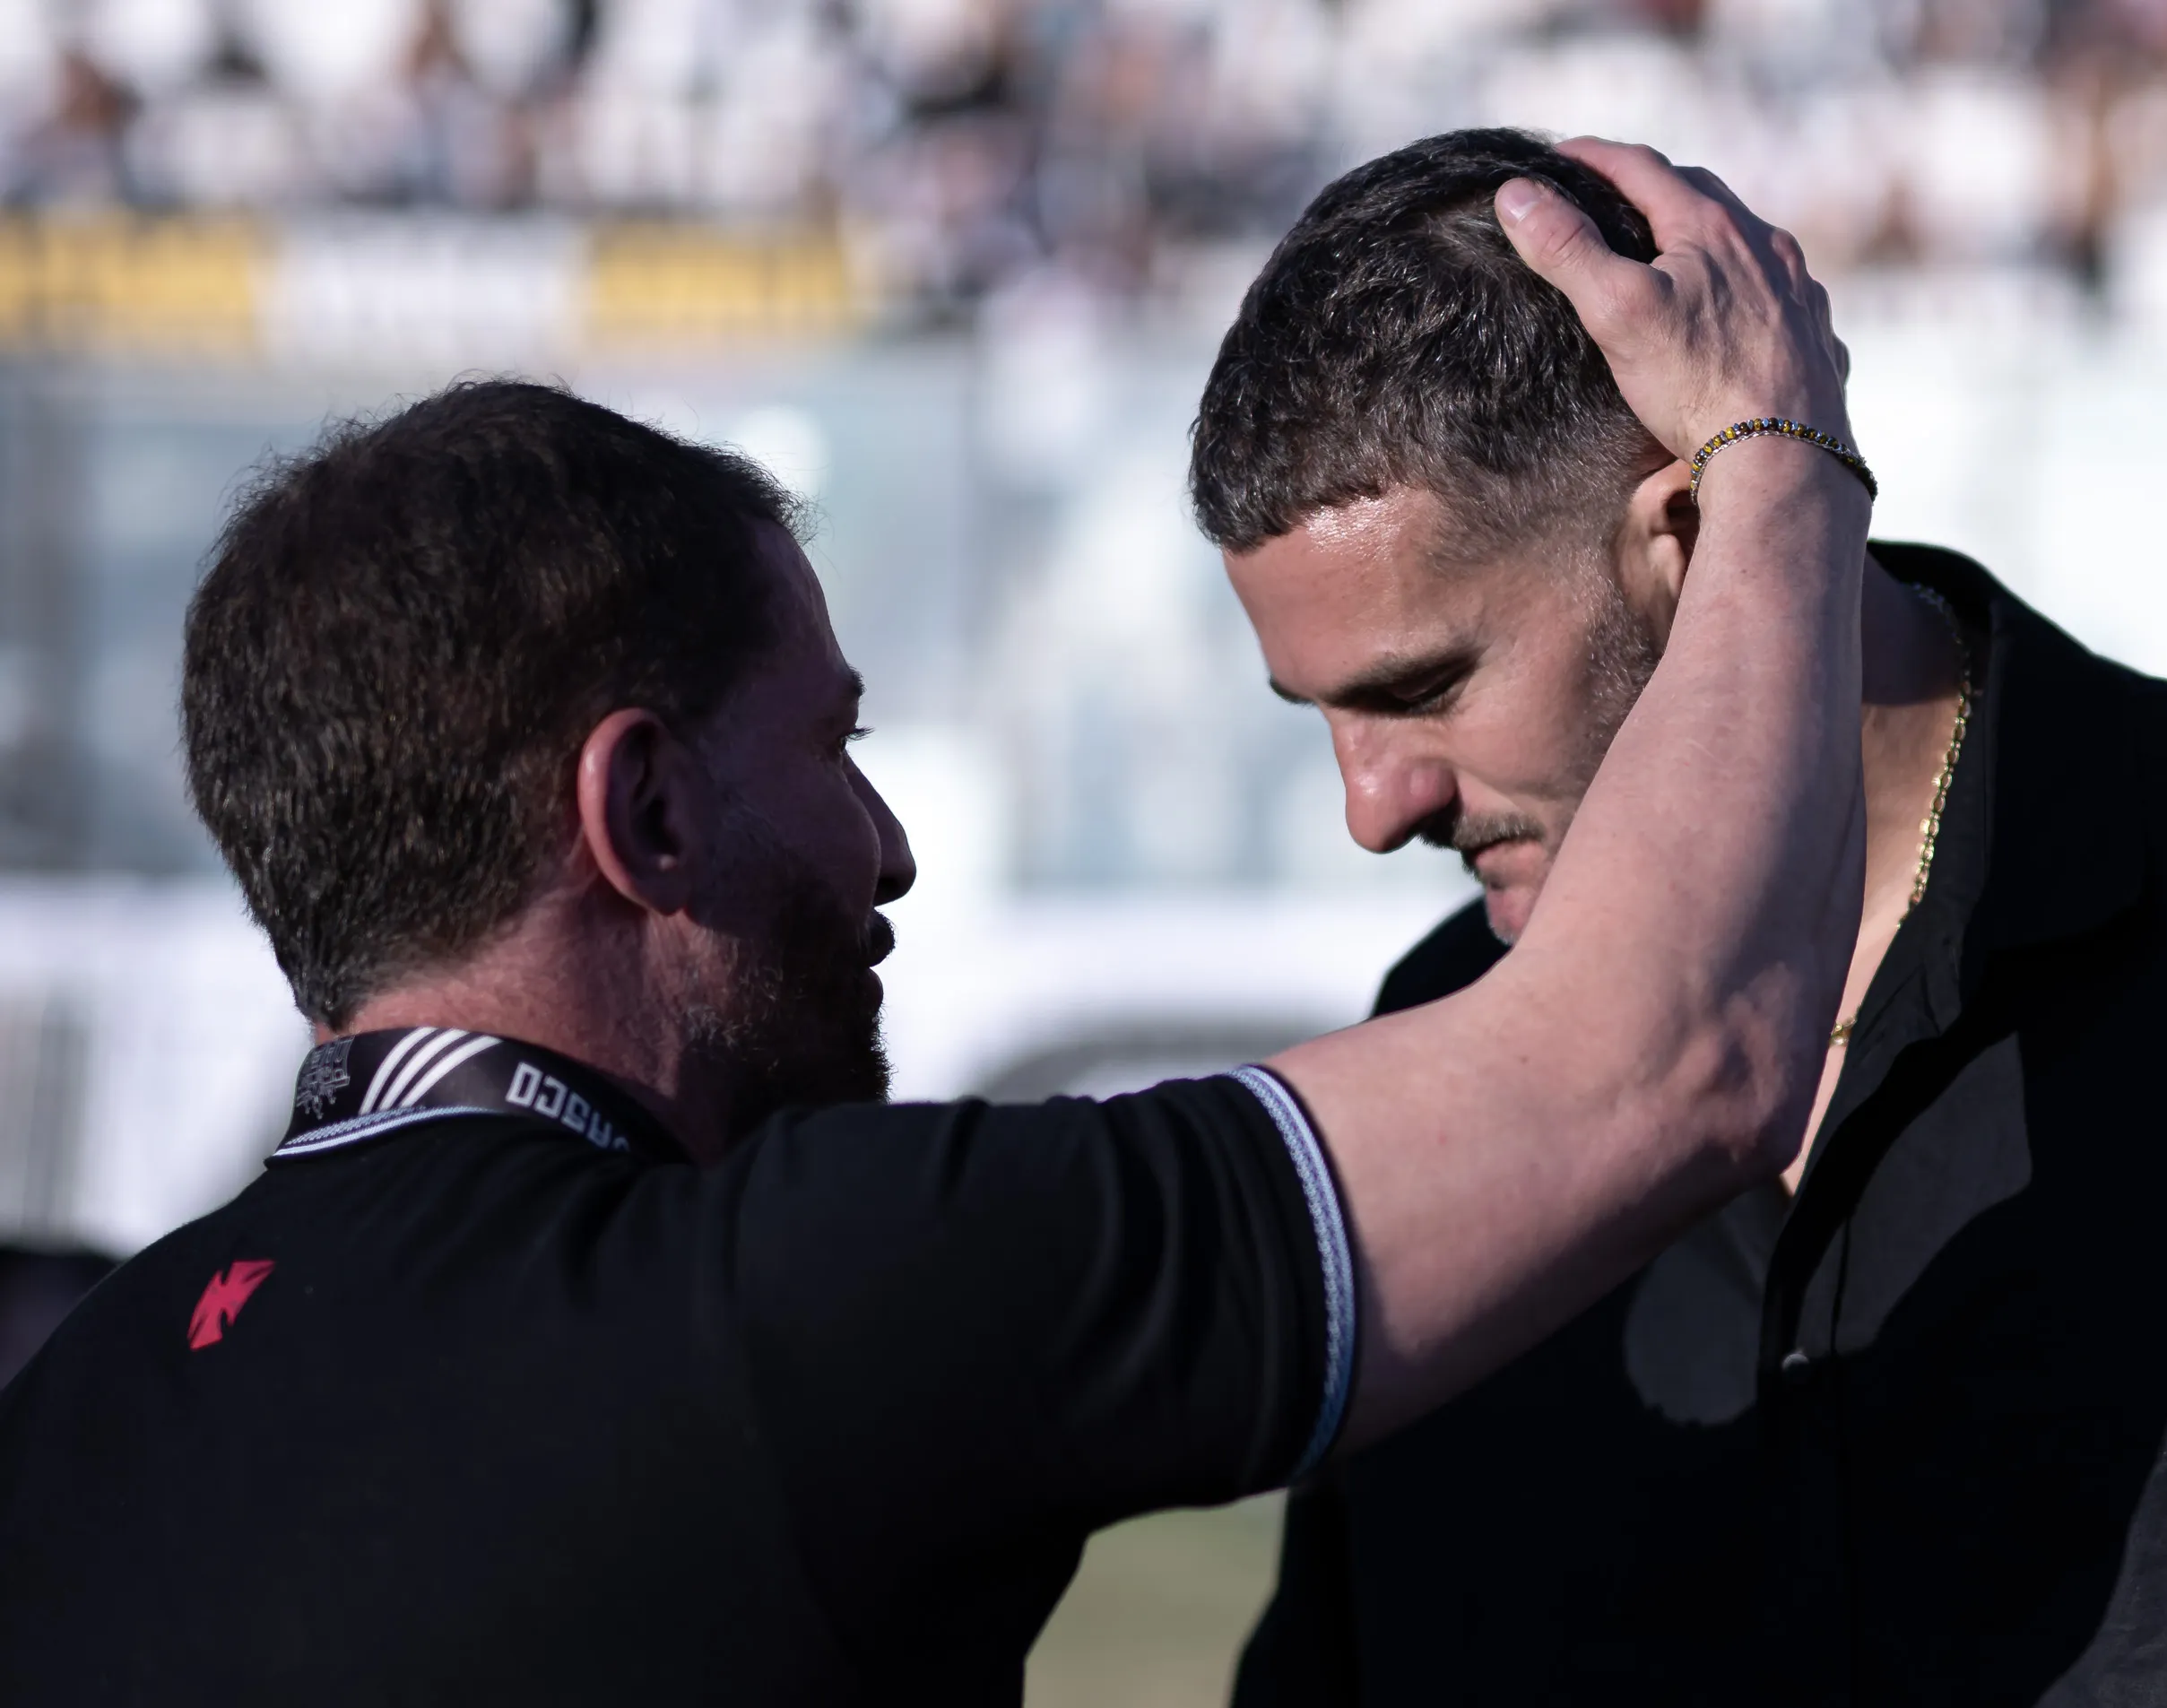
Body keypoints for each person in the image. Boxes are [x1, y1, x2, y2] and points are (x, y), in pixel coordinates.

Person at [0, 147, 1873, 1704]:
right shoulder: (791, 1301)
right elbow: (1680, 1052)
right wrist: (1775, 443)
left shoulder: (76, 1414)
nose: (886, 849)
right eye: (832, 740)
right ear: (644, 810)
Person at [1206, 129, 2167, 1706]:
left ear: (1699, 538)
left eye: (1424, 690)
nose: (1373, 807)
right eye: (1317, 713)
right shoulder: (1435, 1046)